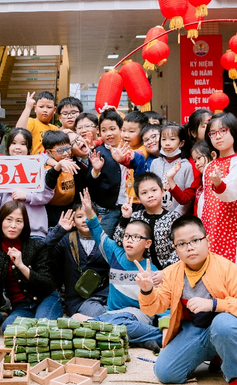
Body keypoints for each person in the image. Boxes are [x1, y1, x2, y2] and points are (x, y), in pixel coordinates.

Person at [139, 215, 237, 385]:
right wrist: (147, 290)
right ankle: (217, 353)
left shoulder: (225, 267)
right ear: (175, 248)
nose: (190, 247)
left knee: (223, 325)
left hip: (227, 326)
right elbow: (156, 306)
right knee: (165, 372)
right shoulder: (172, 272)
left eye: (195, 240)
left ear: (207, 239)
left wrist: (214, 304)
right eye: (182, 243)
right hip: (195, 331)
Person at [78, 189, 162, 351]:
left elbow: (163, 307)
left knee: (90, 324)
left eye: (136, 237)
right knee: (83, 317)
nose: (129, 240)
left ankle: (153, 335)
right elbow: (97, 232)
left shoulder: (152, 271)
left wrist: (166, 329)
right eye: (127, 236)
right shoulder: (115, 253)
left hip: (137, 317)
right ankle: (141, 340)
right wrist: (88, 211)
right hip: (112, 314)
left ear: (147, 243)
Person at [0, 201, 58, 329]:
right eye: (9, 219)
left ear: (24, 224)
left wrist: (21, 266)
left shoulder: (36, 245)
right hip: (21, 306)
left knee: (42, 328)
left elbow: (48, 283)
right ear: (1, 220)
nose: (13, 225)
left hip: (44, 299)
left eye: (19, 221)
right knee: (8, 328)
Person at [199, 113, 237, 281]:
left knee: (232, 265)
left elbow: (234, 191)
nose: (217, 136)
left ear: (234, 132)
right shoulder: (210, 166)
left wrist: (220, 183)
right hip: (209, 223)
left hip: (229, 222)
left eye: (222, 130)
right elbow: (204, 199)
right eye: (212, 133)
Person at [0, 128, 57, 240]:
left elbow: (47, 195)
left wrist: (27, 196)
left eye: (23, 144)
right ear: (8, 147)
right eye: (13, 143)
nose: (17, 147)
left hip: (34, 230)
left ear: (29, 148)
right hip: (7, 229)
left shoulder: (38, 166)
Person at [45, 203, 110, 318]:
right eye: (79, 217)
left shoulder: (105, 240)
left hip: (104, 296)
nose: (85, 220)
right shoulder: (67, 240)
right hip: (78, 300)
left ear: (99, 219)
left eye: (89, 216)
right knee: (103, 314)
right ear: (73, 221)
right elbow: (44, 251)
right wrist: (59, 230)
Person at [115, 173, 180, 270]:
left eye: (154, 190)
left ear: (162, 192)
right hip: (141, 272)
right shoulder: (136, 217)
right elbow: (119, 241)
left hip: (169, 272)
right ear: (139, 198)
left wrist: (166, 270)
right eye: (144, 193)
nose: (150, 195)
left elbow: (180, 246)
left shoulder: (173, 218)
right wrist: (125, 218)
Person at [87, 109, 126, 237]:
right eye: (104, 130)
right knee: (103, 243)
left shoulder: (130, 148)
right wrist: (96, 170)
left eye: (112, 129)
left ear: (121, 129)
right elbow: (89, 180)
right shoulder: (98, 151)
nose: (108, 133)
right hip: (107, 208)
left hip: (129, 205)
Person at [151, 122, 193, 216]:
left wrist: (176, 214)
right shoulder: (155, 163)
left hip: (178, 216)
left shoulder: (186, 166)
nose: (167, 143)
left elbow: (189, 197)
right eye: (164, 139)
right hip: (157, 214)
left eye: (172, 139)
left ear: (181, 143)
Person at [41, 130, 79, 226]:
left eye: (68, 148)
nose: (66, 153)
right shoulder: (48, 168)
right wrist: (58, 165)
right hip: (53, 209)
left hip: (69, 207)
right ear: (49, 153)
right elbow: (41, 156)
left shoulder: (70, 161)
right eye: (60, 151)